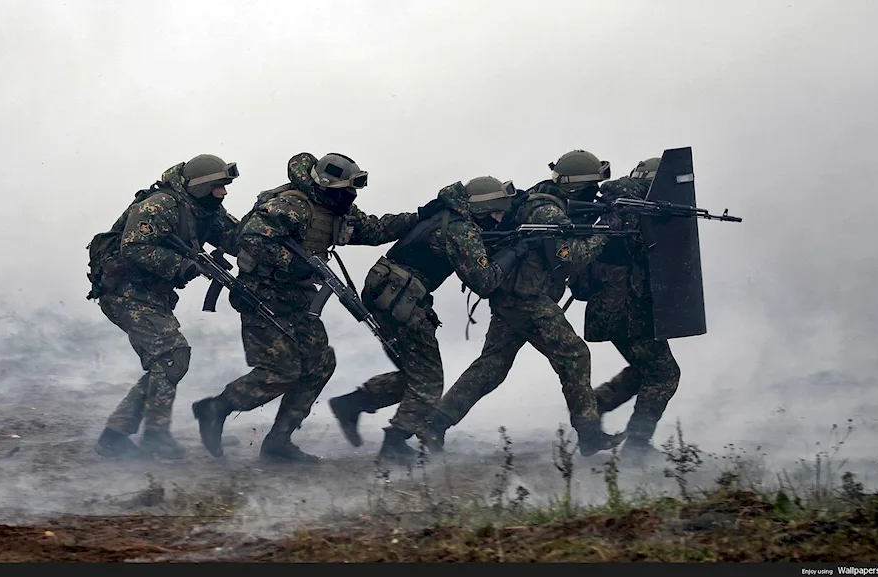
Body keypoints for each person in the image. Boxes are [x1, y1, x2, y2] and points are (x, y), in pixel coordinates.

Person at [191, 152, 420, 463]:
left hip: (298, 298)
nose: (350, 197)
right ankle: (216, 407)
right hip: (262, 295)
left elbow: (375, 231)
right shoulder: (291, 205)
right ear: (326, 186)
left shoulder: (335, 208)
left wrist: (420, 217)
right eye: (345, 191)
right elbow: (250, 240)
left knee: (320, 363)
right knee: (281, 371)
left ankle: (278, 443)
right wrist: (292, 265)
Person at [426, 150, 626, 457]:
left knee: (492, 366)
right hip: (527, 298)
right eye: (593, 185)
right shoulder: (546, 210)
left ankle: (434, 424)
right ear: (577, 187)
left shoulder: (543, 196)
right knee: (574, 354)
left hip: (513, 295)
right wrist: (603, 232)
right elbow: (569, 256)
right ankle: (588, 434)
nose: (596, 191)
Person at [327, 177, 530, 465]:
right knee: (429, 381)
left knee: (414, 375)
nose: (499, 218)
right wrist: (516, 250)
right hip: (402, 296)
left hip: (386, 289)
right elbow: (485, 282)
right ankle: (395, 443)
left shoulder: (446, 215)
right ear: (485, 209)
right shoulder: (462, 230)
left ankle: (352, 404)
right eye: (497, 212)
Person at [86, 154, 241, 460]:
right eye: (218, 187)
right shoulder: (160, 205)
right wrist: (182, 265)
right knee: (172, 355)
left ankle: (115, 435)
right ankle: (156, 435)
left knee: (167, 361)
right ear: (200, 187)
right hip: (124, 291)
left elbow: (237, 239)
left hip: (150, 294)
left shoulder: (206, 210)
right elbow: (133, 247)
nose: (223, 193)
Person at [583, 157, 682, 461]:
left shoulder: (619, 204)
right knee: (664, 374)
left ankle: (596, 404)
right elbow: (642, 250)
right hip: (624, 308)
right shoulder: (632, 208)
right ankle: (637, 448)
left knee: (647, 369)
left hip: (619, 306)